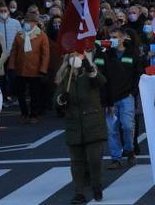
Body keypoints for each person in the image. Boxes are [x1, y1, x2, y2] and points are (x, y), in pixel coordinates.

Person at [55, 50, 107, 203]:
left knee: (94, 159)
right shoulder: (65, 76)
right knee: (77, 162)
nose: (76, 58)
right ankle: (79, 192)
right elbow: (56, 99)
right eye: (73, 56)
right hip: (74, 125)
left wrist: (89, 67)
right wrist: (61, 99)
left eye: (78, 55)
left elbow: (100, 82)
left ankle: (96, 185)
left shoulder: (91, 72)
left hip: (93, 123)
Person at [95, 28, 143, 170]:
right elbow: (98, 70)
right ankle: (116, 158)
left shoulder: (132, 53)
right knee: (112, 130)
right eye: (110, 37)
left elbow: (138, 74)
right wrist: (99, 51)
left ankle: (129, 150)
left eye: (115, 37)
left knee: (128, 126)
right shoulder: (105, 54)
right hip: (111, 99)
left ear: (123, 39)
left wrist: (133, 93)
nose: (112, 39)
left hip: (127, 97)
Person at [7, 12, 49, 123]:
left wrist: (43, 69)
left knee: (35, 93)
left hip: (35, 70)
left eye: (30, 22)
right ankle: (24, 113)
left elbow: (45, 55)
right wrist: (11, 66)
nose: (27, 23)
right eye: (26, 21)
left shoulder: (41, 35)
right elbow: (13, 52)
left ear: (35, 23)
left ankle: (33, 114)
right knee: (20, 93)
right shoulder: (19, 35)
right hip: (20, 69)